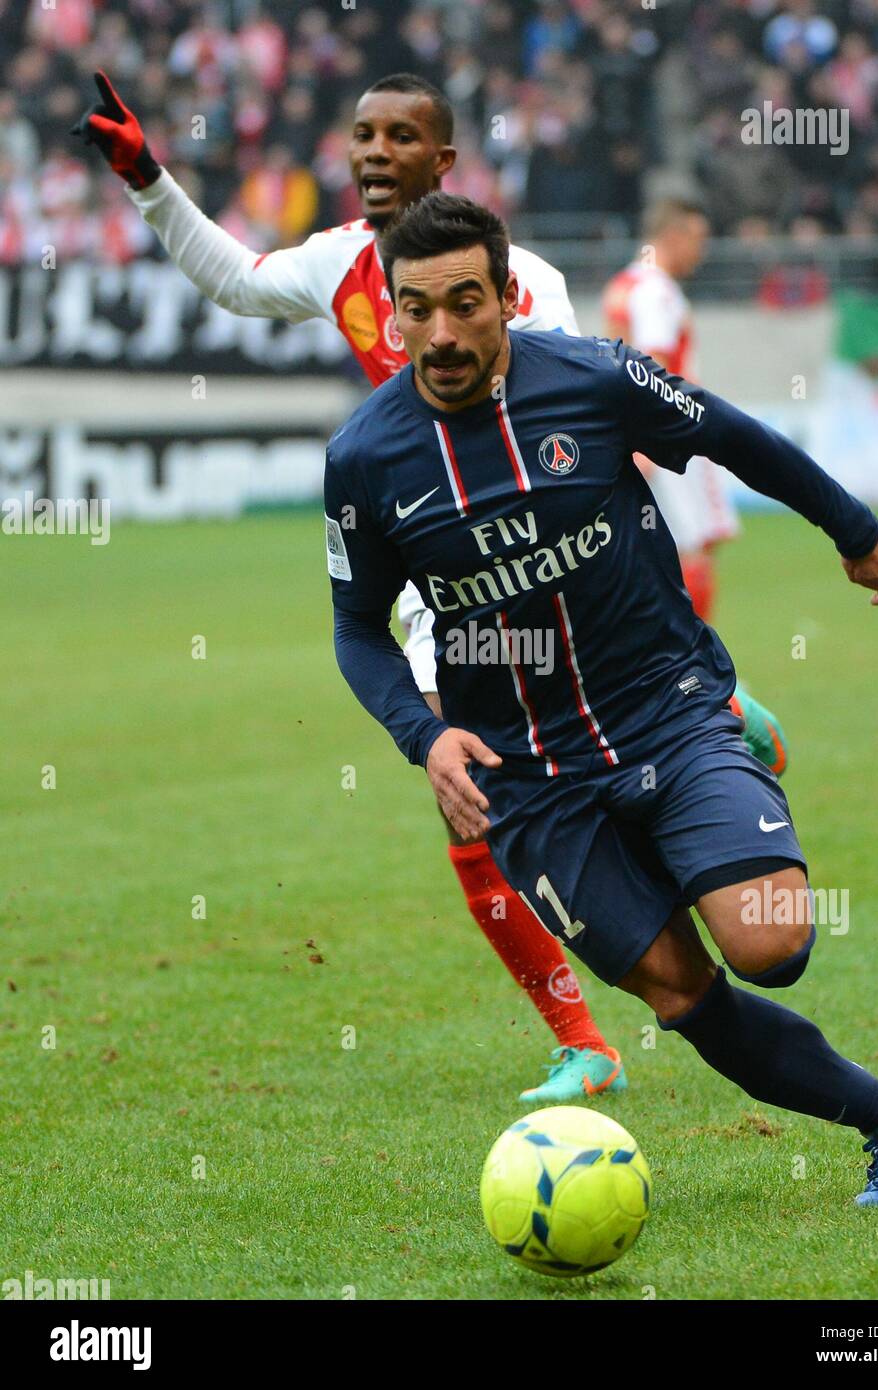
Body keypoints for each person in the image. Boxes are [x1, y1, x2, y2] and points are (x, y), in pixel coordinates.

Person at [325, 191, 878, 1207]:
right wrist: (424, 734)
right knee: (678, 989)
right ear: (392, 311)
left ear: (505, 297)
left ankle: (720, 752)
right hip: (527, 777)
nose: (439, 333)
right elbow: (357, 628)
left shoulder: (593, 377)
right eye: (416, 309)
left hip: (660, 706)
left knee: (769, 943)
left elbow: (733, 437)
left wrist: (851, 530)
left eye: (464, 304)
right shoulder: (362, 459)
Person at [71, 68, 624, 1103]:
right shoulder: (339, 263)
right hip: (435, 582)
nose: (371, 152)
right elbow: (234, 280)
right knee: (468, 803)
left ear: (442, 159)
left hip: (548, 566)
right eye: (361, 135)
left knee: (611, 759)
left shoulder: (524, 281)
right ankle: (582, 1039)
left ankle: (721, 711)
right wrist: (147, 177)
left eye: (398, 136)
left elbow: (577, 416)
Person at [603, 195, 787, 775]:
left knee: (670, 555)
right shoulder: (657, 290)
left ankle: (684, 666)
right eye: (697, 238)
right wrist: (650, 440)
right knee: (687, 554)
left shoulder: (624, 284)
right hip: (671, 441)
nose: (701, 251)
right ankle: (694, 674)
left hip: (645, 441)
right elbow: (652, 368)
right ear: (673, 234)